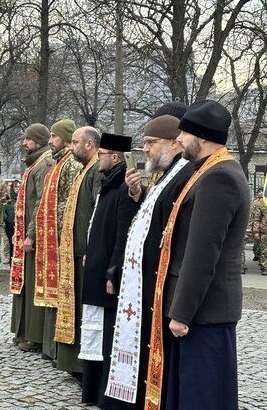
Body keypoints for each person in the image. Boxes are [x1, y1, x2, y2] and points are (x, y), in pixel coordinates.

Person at [142, 100, 247, 410]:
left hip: (204, 313)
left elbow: (202, 253)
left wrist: (182, 312)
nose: (180, 140)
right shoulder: (208, 170)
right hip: (200, 311)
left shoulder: (219, 177)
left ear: (200, 137)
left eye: (184, 133)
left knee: (201, 397)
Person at [105, 113, 194, 410]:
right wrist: (137, 193)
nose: (145, 149)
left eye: (151, 143)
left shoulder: (184, 174)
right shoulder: (165, 174)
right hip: (142, 281)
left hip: (158, 282)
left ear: (174, 143)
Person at [79, 133, 138, 408]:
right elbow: (97, 225)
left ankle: (104, 391)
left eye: (102, 153)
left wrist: (113, 271)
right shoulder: (107, 184)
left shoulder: (124, 188)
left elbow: (123, 235)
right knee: (95, 332)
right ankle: (91, 390)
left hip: (106, 274)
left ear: (115, 157)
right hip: (95, 266)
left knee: (106, 336)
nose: (98, 158)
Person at [34, 119, 83, 360]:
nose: (50, 140)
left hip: (61, 235)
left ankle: (57, 349)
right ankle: (50, 347)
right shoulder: (57, 162)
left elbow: (69, 200)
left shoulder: (71, 163)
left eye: (54, 136)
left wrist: (60, 231)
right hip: (51, 235)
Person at [55, 126, 102, 375]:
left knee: (83, 310)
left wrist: (90, 249)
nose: (71, 147)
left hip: (83, 251)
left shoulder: (95, 170)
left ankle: (81, 364)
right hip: (73, 250)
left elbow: (96, 212)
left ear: (89, 144)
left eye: (74, 142)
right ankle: (71, 362)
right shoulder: (85, 169)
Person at [8, 124, 52, 352]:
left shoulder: (44, 164)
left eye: (28, 139)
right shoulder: (35, 162)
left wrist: (31, 234)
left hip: (34, 237)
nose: (24, 143)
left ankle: (33, 335)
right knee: (24, 283)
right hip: (25, 234)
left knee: (34, 284)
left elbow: (41, 203)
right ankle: (22, 330)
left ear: (38, 140)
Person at [2, 180, 19, 261]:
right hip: (10, 225)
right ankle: (11, 262)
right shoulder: (7, 198)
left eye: (19, 186)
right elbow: (2, 210)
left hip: (21, 225)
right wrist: (6, 218)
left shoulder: (23, 198)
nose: (17, 189)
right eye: (15, 187)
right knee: (12, 244)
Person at [248, 189, 264, 272]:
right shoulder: (255, 202)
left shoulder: (263, 202)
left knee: (261, 246)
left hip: (261, 226)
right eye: (259, 192)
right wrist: (254, 230)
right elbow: (254, 216)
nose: (260, 193)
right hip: (259, 227)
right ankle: (258, 256)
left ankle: (261, 259)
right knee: (258, 244)